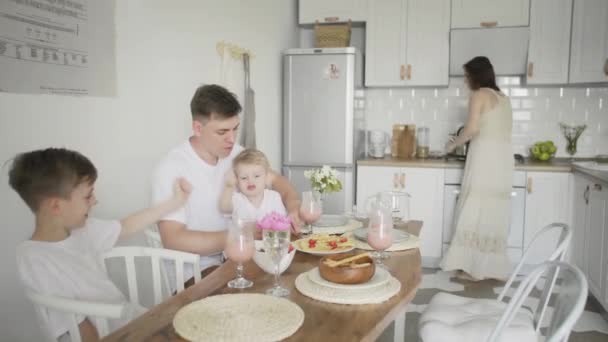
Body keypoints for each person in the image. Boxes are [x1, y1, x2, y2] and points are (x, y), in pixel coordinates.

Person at [9, 148, 191, 342]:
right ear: (56, 206)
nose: (95, 201)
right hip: (111, 335)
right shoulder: (34, 257)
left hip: (129, 320)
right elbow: (76, 324)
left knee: (191, 320)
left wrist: (174, 202)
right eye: (88, 196)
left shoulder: (82, 230)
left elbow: (126, 226)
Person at [152, 84, 300, 279]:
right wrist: (243, 233)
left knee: (293, 276)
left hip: (240, 258)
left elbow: (278, 182)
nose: (231, 139)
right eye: (222, 132)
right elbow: (173, 239)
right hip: (197, 272)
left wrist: (293, 208)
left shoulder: (236, 154)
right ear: (198, 128)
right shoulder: (171, 168)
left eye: (235, 129)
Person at [440, 56, 514, 281]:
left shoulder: (479, 95)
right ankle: (484, 267)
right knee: (492, 211)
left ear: (475, 75)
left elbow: (471, 130)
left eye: (466, 76)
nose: (465, 81)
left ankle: (471, 268)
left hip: (484, 158)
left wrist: (452, 145)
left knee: (474, 207)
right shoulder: (504, 98)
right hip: (503, 160)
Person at [219, 148, 286, 222]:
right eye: (244, 178)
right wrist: (229, 185)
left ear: (266, 177)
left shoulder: (274, 197)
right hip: (242, 233)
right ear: (237, 180)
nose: (250, 181)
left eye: (256, 176)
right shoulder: (237, 199)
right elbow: (224, 209)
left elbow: (282, 220)